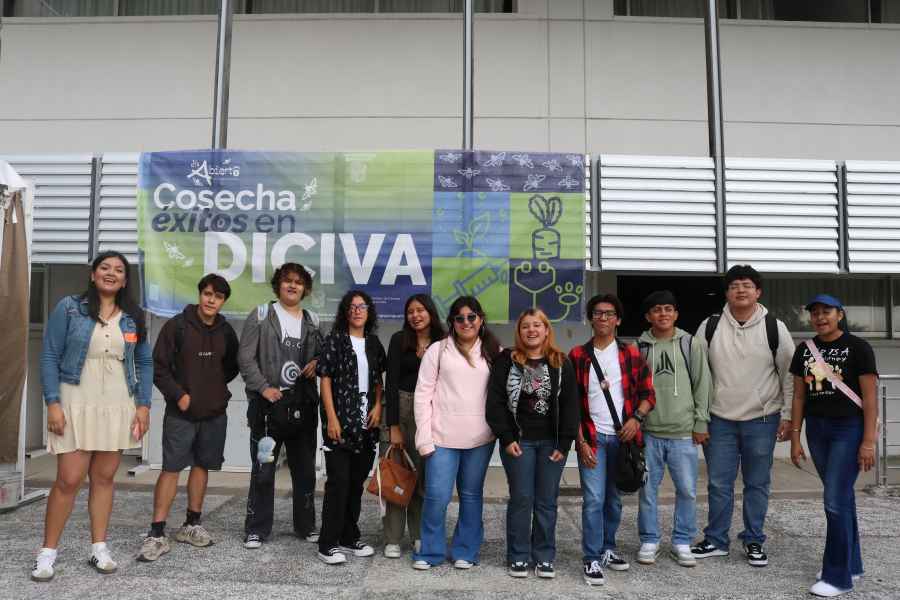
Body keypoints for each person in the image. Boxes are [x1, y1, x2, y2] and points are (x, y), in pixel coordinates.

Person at [32, 251, 152, 582]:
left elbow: (144, 361)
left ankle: (99, 547)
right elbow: (50, 355)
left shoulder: (133, 316)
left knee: (104, 478)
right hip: (75, 399)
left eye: (119, 270)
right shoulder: (69, 307)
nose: (111, 273)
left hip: (117, 402)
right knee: (68, 479)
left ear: (125, 280)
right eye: (105, 268)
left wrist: (143, 405)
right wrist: (52, 403)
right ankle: (47, 553)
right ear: (93, 274)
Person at [690, 265, 794, 568]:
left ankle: (753, 540)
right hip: (719, 418)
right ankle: (716, 540)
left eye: (747, 285)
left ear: (758, 292)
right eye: (734, 285)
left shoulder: (775, 327)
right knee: (718, 484)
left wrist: (788, 415)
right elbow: (697, 373)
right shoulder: (710, 326)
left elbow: (789, 374)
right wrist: (699, 417)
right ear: (726, 293)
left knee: (757, 483)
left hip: (762, 418)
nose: (741, 290)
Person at [137, 274, 240, 562]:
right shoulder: (177, 326)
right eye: (207, 294)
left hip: (213, 414)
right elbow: (158, 368)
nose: (211, 300)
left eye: (218, 297)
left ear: (223, 301)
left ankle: (191, 524)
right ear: (199, 294)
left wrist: (213, 390)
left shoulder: (226, 331)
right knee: (171, 468)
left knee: (202, 465)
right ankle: (157, 532)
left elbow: (230, 367)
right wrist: (180, 394)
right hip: (180, 414)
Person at [789, 295, 878, 598]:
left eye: (826, 311)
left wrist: (868, 441)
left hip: (848, 428)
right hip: (817, 429)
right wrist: (795, 438)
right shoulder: (804, 349)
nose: (820, 317)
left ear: (840, 314)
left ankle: (837, 577)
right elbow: (799, 396)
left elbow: (870, 398)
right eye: (814, 313)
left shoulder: (859, 347)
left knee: (834, 502)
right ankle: (851, 564)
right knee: (842, 499)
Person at [568, 293, 655, 586]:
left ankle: (608, 548)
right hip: (593, 438)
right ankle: (591, 558)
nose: (603, 317)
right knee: (593, 499)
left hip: (623, 438)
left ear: (618, 320)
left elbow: (648, 394)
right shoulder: (577, 355)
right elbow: (571, 405)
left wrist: (636, 419)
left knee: (614, 499)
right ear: (590, 319)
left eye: (609, 313)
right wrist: (580, 442)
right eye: (597, 313)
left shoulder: (630, 354)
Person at [486, 308, 579, 579]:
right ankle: (518, 555)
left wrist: (564, 444)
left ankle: (544, 556)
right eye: (526, 326)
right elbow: (495, 402)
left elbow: (571, 405)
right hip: (519, 442)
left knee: (547, 500)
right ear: (519, 332)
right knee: (522, 498)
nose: (531, 330)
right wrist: (506, 438)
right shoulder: (507, 360)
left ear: (546, 330)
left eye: (537, 325)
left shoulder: (561, 362)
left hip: (551, 443)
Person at [412, 296, 501, 571]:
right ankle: (430, 551)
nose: (466, 322)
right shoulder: (437, 350)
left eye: (471, 317)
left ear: (481, 319)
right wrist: (423, 437)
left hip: (480, 438)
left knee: (471, 497)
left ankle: (466, 550)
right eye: (459, 318)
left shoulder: (494, 352)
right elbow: (422, 395)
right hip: (441, 438)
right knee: (436, 496)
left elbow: (502, 395)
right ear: (451, 322)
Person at [238, 263, 322, 550]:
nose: (293, 285)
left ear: (305, 288)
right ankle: (256, 529)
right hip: (268, 408)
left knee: (305, 471)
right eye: (288, 280)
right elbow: (245, 358)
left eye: (299, 282)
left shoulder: (313, 320)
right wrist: (263, 388)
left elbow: (323, 355)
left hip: (303, 406)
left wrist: (318, 362)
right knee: (264, 470)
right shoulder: (262, 315)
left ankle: (306, 526)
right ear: (278, 285)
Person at [635, 291, 711, 568]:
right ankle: (649, 539)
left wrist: (701, 421)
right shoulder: (639, 347)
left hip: (683, 432)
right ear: (648, 316)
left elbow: (703, 384)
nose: (663, 314)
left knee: (687, 490)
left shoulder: (691, 344)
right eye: (657, 310)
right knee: (647, 491)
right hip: (650, 432)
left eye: (668, 309)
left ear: (676, 314)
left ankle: (682, 541)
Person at [315, 289, 386, 565]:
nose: (357, 311)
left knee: (356, 484)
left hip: (366, 426)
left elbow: (379, 379)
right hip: (340, 424)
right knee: (338, 484)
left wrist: (378, 405)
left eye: (362, 306)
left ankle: (348, 536)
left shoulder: (374, 343)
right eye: (352, 306)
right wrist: (331, 418)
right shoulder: (335, 340)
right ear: (346, 312)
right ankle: (327, 543)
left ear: (369, 312)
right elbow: (325, 379)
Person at [381, 294, 446, 559]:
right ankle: (393, 538)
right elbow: (391, 384)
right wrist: (393, 425)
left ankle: (419, 535)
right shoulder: (399, 340)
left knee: (422, 478)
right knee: (396, 476)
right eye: (410, 311)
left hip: (430, 413)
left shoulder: (444, 342)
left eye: (420, 310)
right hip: (401, 407)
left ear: (430, 312)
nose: (415, 315)